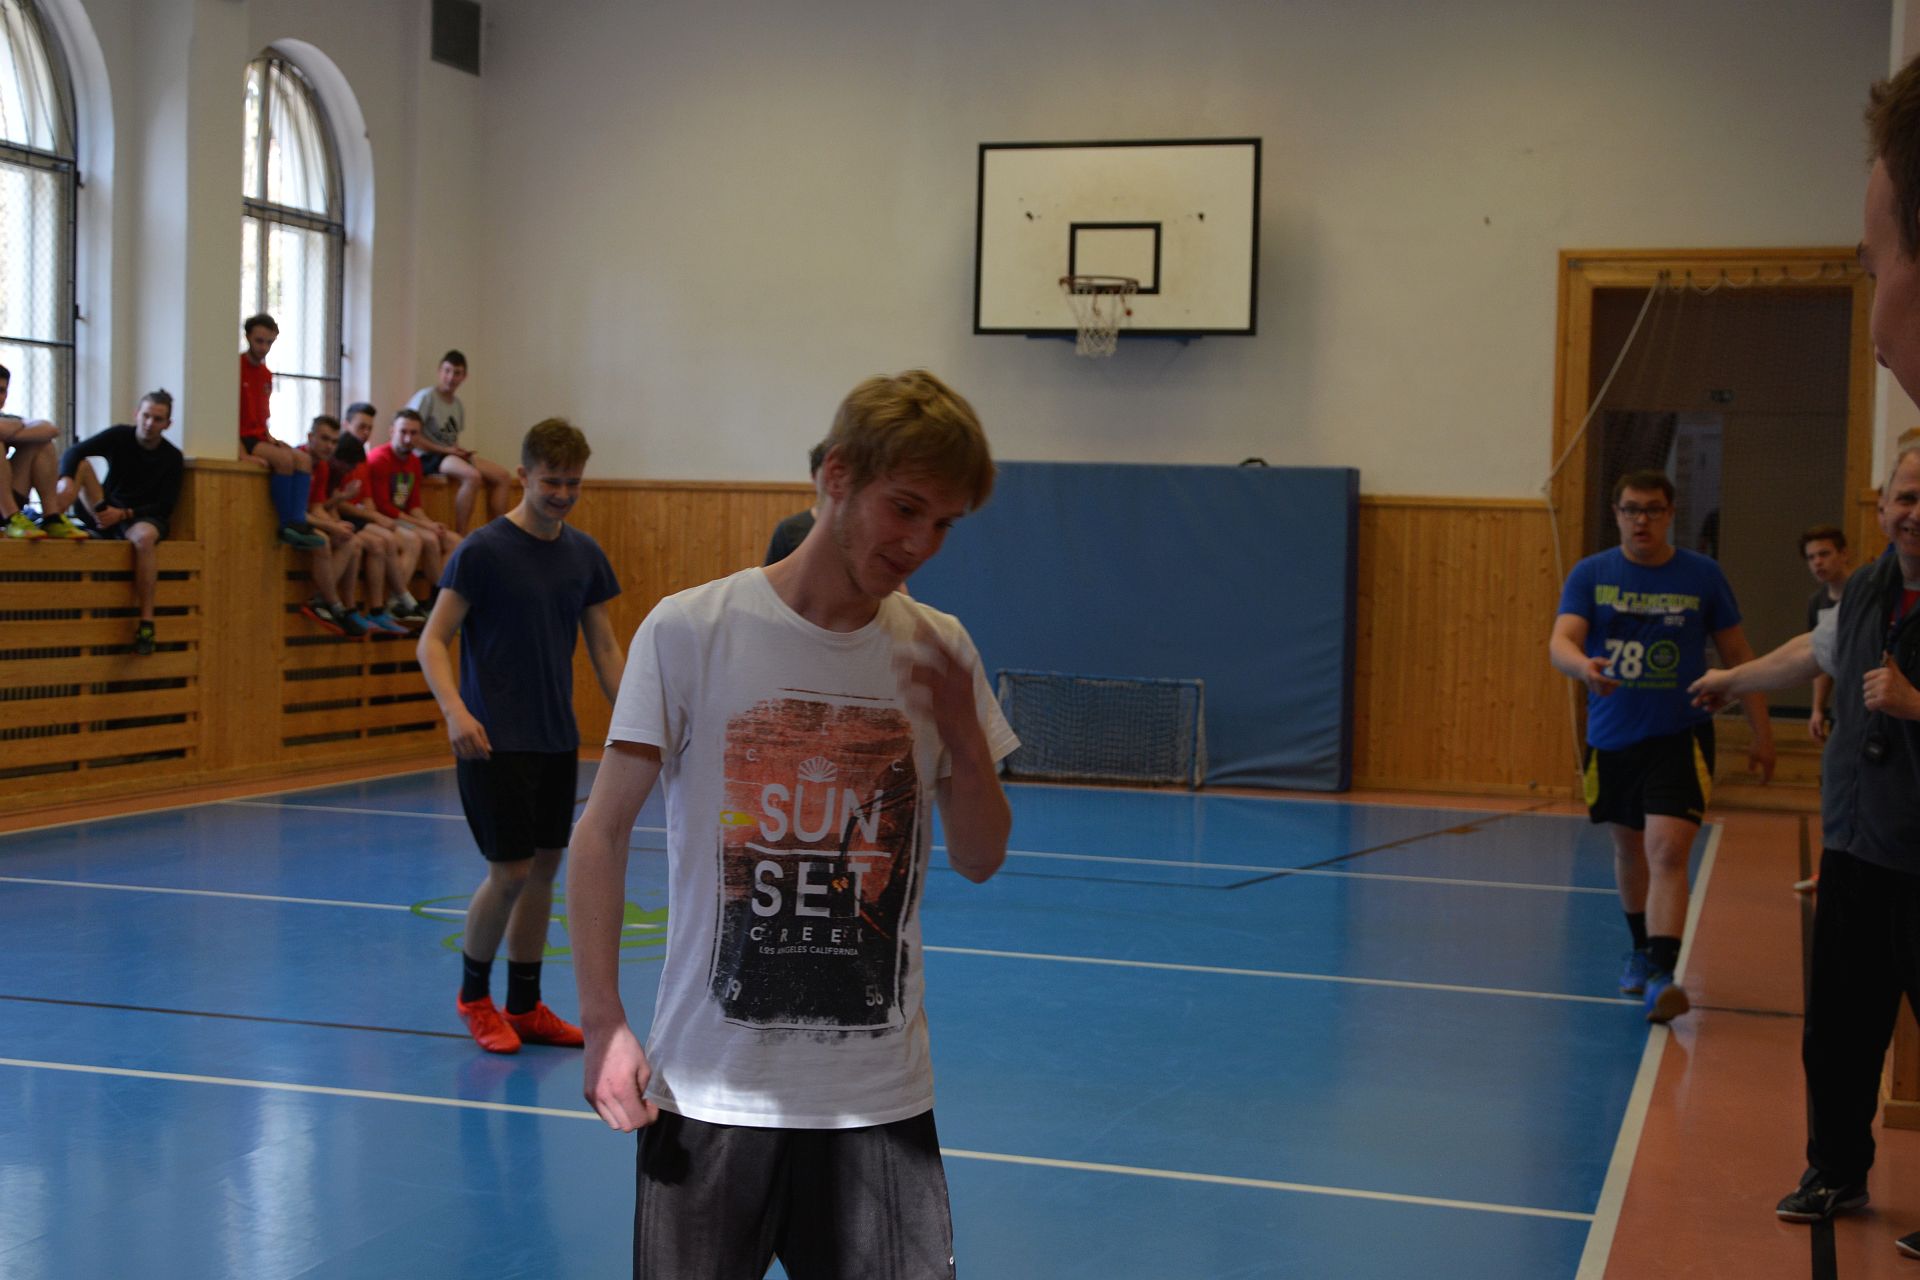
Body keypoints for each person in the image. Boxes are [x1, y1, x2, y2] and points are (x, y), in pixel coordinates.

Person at [568, 369, 1017, 1278]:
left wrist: (967, 739)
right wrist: (603, 1020)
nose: (920, 543)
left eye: (944, 523)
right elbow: (601, 832)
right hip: (710, 1089)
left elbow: (979, 857)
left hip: (878, 1098)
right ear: (836, 475)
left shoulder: (940, 649)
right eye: (905, 508)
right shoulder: (691, 630)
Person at [1691, 447, 1920, 1246]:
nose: (1915, 513)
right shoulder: (1865, 590)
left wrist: (1916, 702)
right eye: (1906, 496)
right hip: (1856, 848)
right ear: (1881, 506)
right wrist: (1736, 680)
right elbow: (1814, 651)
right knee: (1839, 1031)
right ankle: (1836, 1172)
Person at [416, 418, 623, 1054]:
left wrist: (636, 718)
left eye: (573, 483)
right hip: (491, 742)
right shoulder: (481, 551)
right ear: (524, 476)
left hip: (555, 738)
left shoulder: (584, 555)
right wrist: (455, 711)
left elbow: (604, 646)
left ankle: (525, 1005)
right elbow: (433, 640)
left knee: (543, 872)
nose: (563, 493)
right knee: (508, 872)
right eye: (552, 481)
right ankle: (474, 997)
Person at [1548, 467, 1774, 1023]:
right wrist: (1583, 667)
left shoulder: (1702, 575)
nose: (1641, 519)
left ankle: (1662, 975)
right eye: (1631, 509)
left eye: (1652, 509)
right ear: (1617, 515)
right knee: (1630, 850)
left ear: (1670, 514)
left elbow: (1739, 656)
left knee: (1668, 851)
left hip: (1679, 735)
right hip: (1612, 737)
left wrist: (1762, 733)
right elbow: (1561, 640)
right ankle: (1640, 949)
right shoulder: (1591, 573)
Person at [58, 391, 185, 654]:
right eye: (146, 416)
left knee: (145, 538)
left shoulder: (172, 457)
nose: (149, 423)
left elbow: (165, 506)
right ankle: (51, 518)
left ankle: (146, 622)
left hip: (141, 516)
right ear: (136, 414)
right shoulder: (119, 436)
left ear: (167, 424)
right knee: (79, 466)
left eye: (157, 419)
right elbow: (74, 451)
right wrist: (66, 478)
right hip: (104, 509)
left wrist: (125, 513)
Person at [237, 314, 325, 550]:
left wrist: (273, 440)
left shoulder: (266, 374)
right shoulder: (236, 367)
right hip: (243, 437)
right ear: (248, 337)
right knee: (284, 460)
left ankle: (298, 520)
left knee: (303, 459)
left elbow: (261, 416)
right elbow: (231, 416)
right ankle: (286, 524)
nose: (263, 347)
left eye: (269, 342)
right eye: (259, 341)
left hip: (260, 436)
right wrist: (242, 454)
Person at [364, 408, 460, 622]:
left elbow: (414, 505)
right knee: (421, 539)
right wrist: (424, 526)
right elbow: (383, 507)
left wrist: (431, 523)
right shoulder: (380, 459)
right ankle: (395, 602)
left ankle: (436, 600)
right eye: (403, 432)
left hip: (403, 518)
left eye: (414, 433)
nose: (408, 439)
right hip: (383, 519)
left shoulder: (414, 462)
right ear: (392, 431)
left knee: (453, 540)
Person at [407, 350, 513, 535]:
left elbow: (452, 439)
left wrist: (459, 451)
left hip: (447, 454)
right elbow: (413, 437)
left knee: (503, 476)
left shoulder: (457, 405)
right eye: (447, 371)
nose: (451, 377)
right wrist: (444, 450)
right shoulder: (426, 397)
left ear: (464, 376)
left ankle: (500, 534)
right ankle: (461, 534)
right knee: (472, 476)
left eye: (457, 373)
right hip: (427, 456)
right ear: (439, 371)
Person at [0, 364, 89, 540]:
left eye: (2, 391)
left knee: (43, 444)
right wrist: (16, 428)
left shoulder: (10, 420)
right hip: (4, 508)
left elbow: (50, 429)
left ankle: (52, 518)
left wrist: (15, 427)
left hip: (9, 496)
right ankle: (11, 519)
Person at [1801, 524, 1850, 745]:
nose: (1817, 562)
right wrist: (1817, 708)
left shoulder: (1863, 592)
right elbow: (1821, 658)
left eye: (1824, 554)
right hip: (1840, 703)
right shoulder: (1817, 602)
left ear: (1843, 554)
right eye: (1811, 558)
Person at [763, 440, 827, 565]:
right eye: (828, 474)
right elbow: (772, 576)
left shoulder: (858, 531)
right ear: (814, 476)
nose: (835, 482)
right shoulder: (789, 530)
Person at [333, 401, 376, 471]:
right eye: (361, 427)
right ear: (346, 425)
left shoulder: (361, 453)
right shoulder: (333, 456)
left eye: (370, 428)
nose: (367, 432)